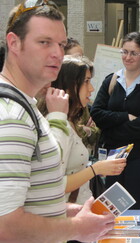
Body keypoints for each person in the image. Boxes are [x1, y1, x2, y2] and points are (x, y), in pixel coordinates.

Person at [0, 2, 114, 242]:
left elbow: (27, 202)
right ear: (14, 43)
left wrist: (61, 211)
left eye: (61, 44)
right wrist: (76, 228)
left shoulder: (25, 107)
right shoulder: (12, 117)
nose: (57, 53)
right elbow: (6, 226)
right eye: (44, 42)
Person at [90, 31, 140, 209]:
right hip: (113, 157)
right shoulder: (112, 80)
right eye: (124, 51)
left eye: (134, 53)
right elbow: (97, 113)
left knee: (138, 209)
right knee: (111, 209)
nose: (127, 57)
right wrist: (125, 117)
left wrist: (110, 128)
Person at [39, 55, 126, 205]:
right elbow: (55, 184)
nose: (91, 88)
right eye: (86, 81)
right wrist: (96, 169)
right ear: (68, 85)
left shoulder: (70, 121)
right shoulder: (56, 124)